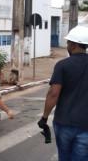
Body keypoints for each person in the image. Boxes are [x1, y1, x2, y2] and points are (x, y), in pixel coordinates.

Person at [38, 25, 88, 161]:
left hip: (64, 122)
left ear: (73, 45)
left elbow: (53, 93)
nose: (66, 45)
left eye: (67, 42)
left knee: (64, 156)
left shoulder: (63, 65)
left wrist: (44, 117)